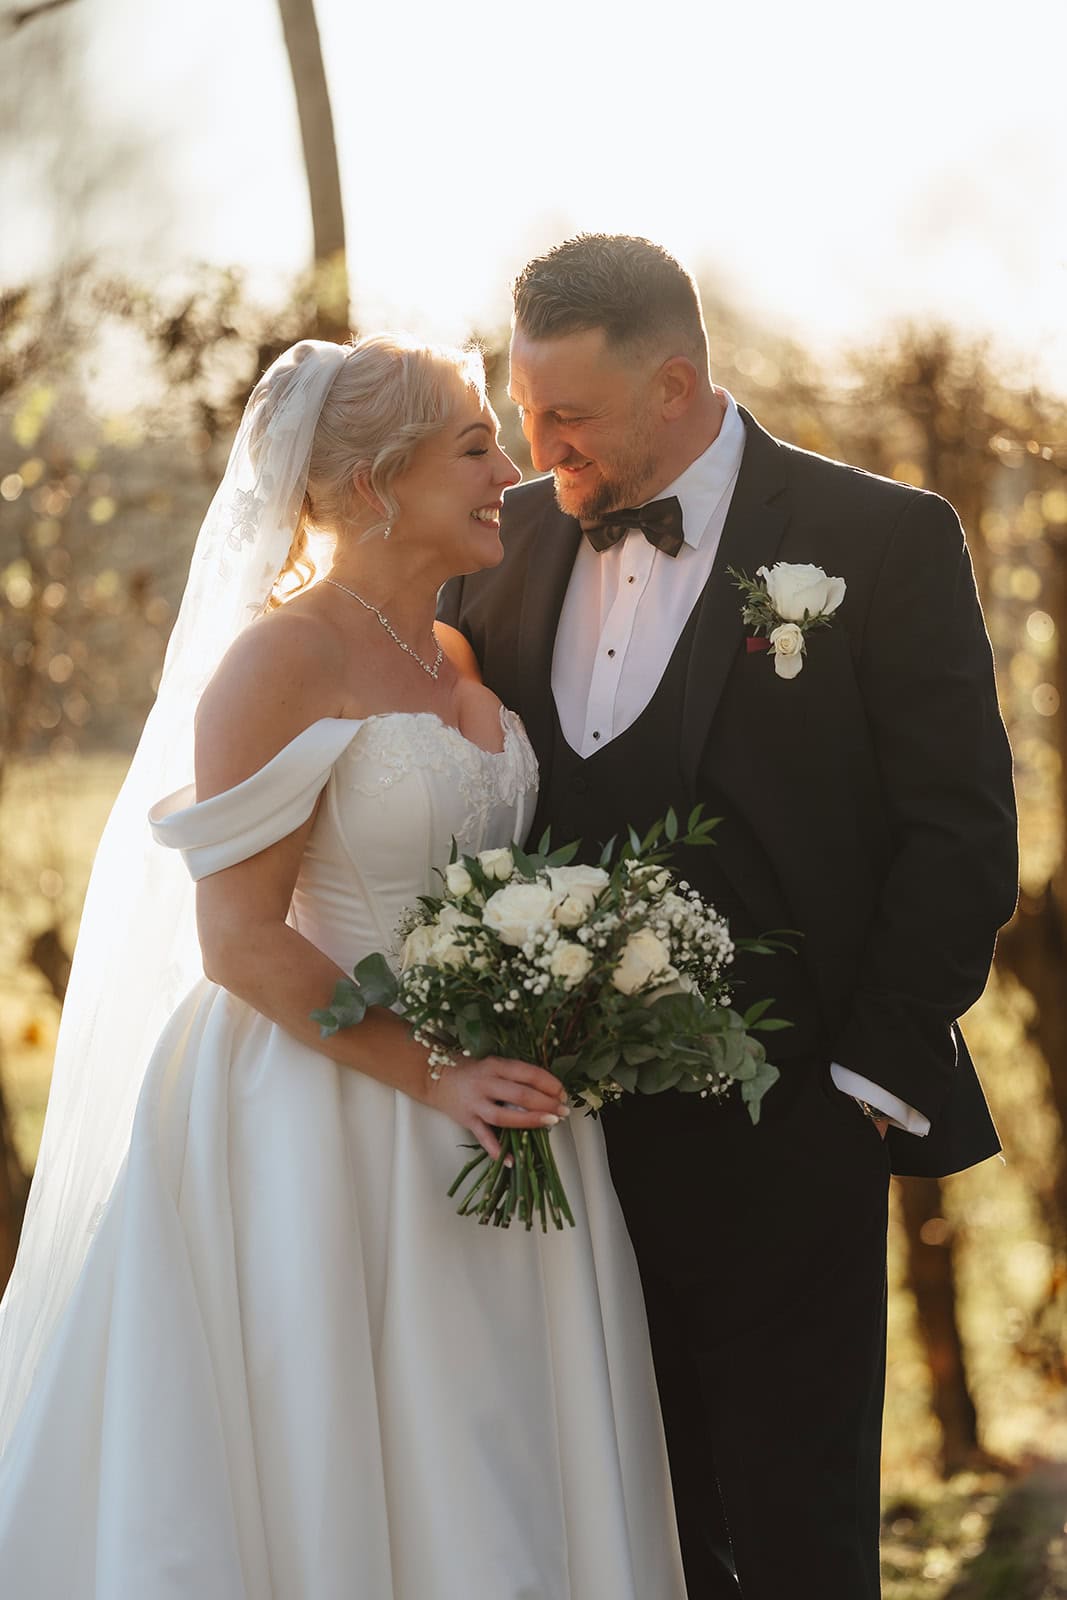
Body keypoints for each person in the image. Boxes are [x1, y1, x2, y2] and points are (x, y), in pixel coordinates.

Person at [0, 334, 689, 1598]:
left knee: (498, 1459)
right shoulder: (281, 660)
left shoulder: (455, 654)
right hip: (328, 1105)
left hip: (497, 1099)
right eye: (474, 448)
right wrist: (431, 1073)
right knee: (347, 1454)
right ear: (373, 482)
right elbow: (237, 937)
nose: (508, 473)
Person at [438, 234, 1019, 1599]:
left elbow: (958, 836)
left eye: (568, 416)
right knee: (619, 1538)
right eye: (524, 411)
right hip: (560, 1159)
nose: (539, 448)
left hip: (794, 1131)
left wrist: (860, 1090)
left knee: (798, 1539)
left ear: (673, 385)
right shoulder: (498, 543)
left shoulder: (879, 540)